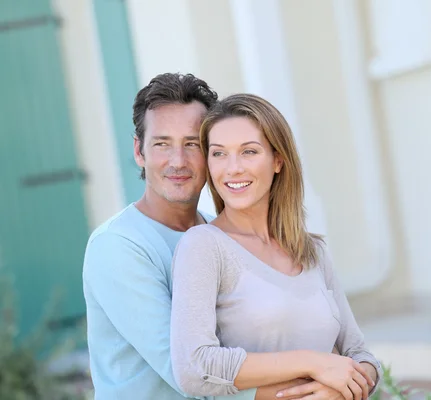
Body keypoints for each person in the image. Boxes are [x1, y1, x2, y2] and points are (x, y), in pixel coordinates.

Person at [82, 74, 311, 400]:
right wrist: (311, 383)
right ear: (139, 151)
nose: (178, 161)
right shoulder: (118, 247)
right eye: (162, 144)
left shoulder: (220, 237)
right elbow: (190, 374)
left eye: (192, 144)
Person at [170, 93, 382, 400]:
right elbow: (194, 367)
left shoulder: (311, 251)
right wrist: (314, 364)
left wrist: (339, 389)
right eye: (218, 154)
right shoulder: (203, 246)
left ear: (278, 160)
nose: (233, 169)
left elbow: (360, 353)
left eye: (249, 152)